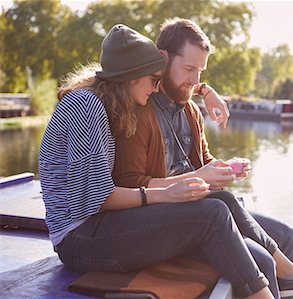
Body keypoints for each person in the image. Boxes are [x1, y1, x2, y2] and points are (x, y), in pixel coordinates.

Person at [38, 24, 278, 299]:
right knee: (212, 215)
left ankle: (281, 279)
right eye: (153, 79)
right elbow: (98, 199)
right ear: (130, 76)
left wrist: (204, 89)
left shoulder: (106, 102)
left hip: (103, 225)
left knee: (227, 213)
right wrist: (164, 194)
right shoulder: (86, 106)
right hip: (79, 239)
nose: (155, 87)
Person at [113, 19, 293, 298]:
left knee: (286, 234)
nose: (196, 80)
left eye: (200, 71)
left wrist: (222, 170)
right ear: (163, 59)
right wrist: (202, 177)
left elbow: (203, 163)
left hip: (203, 206)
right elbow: (130, 182)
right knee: (262, 257)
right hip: (167, 217)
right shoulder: (139, 108)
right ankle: (290, 275)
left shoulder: (191, 112)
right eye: (189, 69)